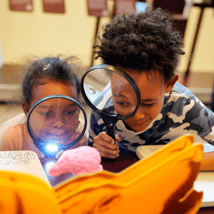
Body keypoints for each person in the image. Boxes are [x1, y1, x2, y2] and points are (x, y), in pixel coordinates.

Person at [88, 8, 214, 170]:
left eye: (148, 103)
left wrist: (181, 162)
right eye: (123, 102)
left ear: (169, 83)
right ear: (110, 81)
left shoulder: (184, 104)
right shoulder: (101, 108)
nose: (138, 115)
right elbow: (91, 160)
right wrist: (99, 150)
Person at [0, 56, 87, 158]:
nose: (59, 123)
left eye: (69, 112)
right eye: (47, 113)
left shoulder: (78, 137)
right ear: (27, 110)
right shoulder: (11, 139)